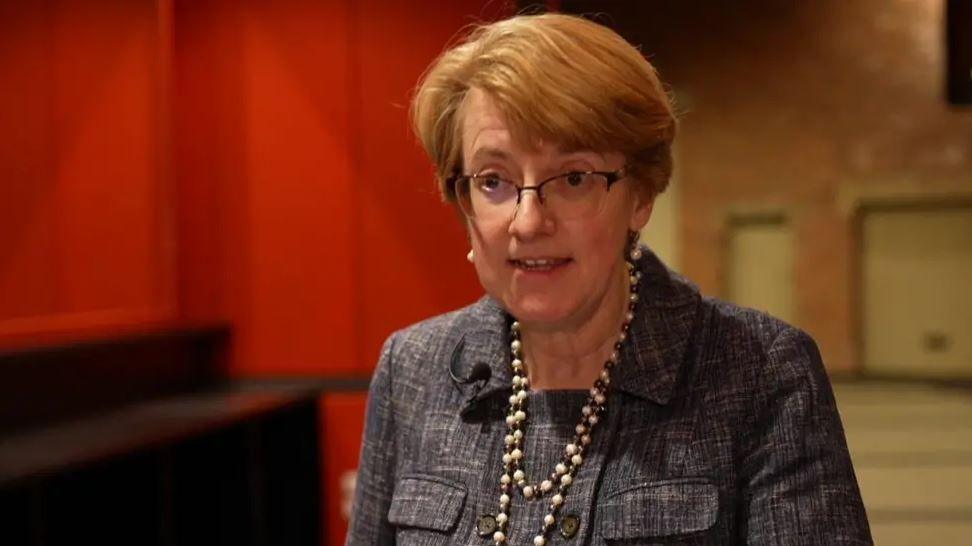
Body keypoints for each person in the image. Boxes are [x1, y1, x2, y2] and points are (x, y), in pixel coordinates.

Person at [347, 12, 871, 546]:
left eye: (573, 178)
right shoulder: (412, 371)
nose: (529, 221)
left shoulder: (760, 373)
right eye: (494, 181)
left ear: (640, 195)